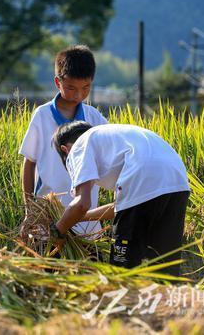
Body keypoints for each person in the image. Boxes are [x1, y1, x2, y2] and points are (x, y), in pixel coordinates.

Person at [50, 121, 191, 275]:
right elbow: (120, 207)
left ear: (65, 150)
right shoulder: (113, 138)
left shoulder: (79, 146)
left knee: (123, 270)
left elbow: (81, 203)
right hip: (178, 182)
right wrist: (79, 218)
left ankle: (124, 297)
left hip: (145, 178)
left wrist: (58, 231)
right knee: (164, 267)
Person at [19, 45, 107, 240]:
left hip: (86, 220)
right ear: (58, 82)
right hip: (47, 217)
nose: (78, 95)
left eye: (86, 88)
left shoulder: (95, 119)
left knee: (87, 269)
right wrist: (29, 211)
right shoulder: (42, 116)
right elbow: (29, 162)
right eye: (71, 88)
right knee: (47, 266)